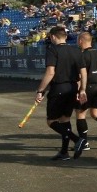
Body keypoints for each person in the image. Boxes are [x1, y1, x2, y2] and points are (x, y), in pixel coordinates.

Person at [34, 26, 88, 160]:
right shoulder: (76, 51)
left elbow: (50, 72)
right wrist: (82, 89)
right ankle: (64, 152)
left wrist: (41, 90)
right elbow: (83, 73)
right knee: (65, 120)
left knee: (51, 121)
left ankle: (77, 140)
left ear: (53, 37)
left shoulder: (52, 49)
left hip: (59, 88)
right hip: (73, 88)